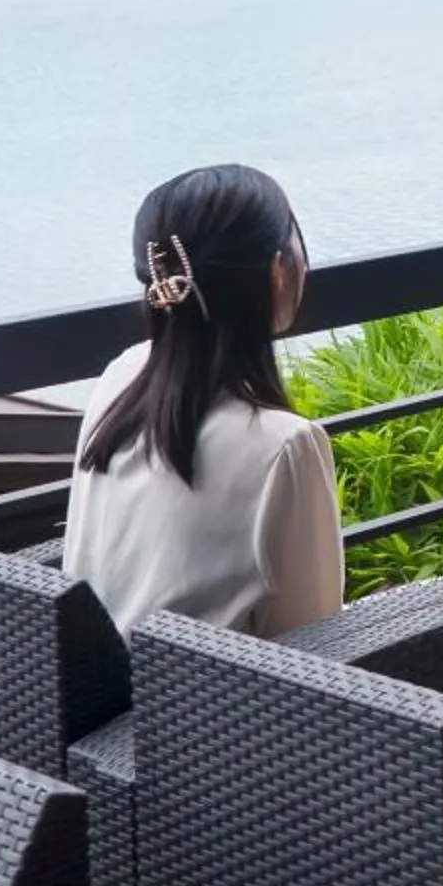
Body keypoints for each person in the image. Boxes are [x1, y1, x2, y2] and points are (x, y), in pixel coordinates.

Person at [62, 163, 345, 637]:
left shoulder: (120, 377)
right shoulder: (285, 447)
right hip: (232, 704)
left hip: (105, 695)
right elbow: (317, 639)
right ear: (278, 273)